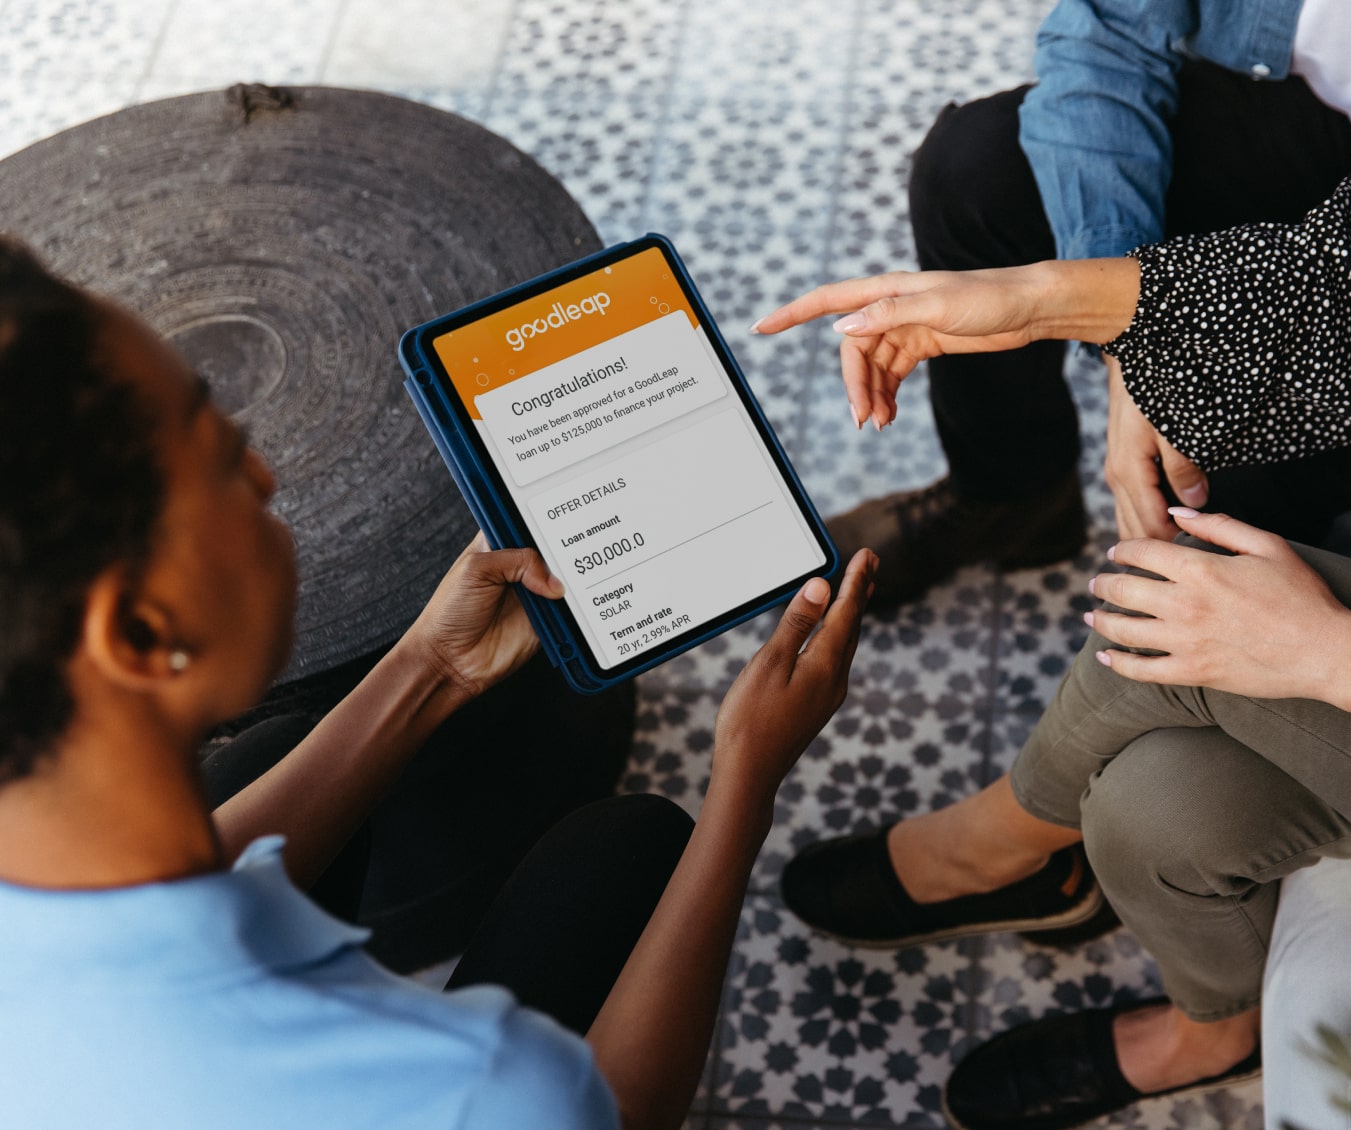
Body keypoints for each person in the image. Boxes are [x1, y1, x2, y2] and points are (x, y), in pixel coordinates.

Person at [756, 0, 1351, 1124]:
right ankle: (1213, 1022)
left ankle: (999, 836)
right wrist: (1039, 298)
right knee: (1154, 812)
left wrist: (1341, 655)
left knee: (1173, 620)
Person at [0, 236, 877, 1130]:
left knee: (275, 755)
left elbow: (205, 874)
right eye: (222, 456)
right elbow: (618, 1109)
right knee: (632, 854)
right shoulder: (469, 1089)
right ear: (142, 632)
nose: (264, 476)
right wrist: (744, 785)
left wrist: (434, 665)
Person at [831, 0, 1351, 609]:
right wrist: (1121, 328)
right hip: (1339, 123)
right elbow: (1107, 29)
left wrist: (1139, 325)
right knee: (972, 172)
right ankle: (1011, 500)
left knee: (1205, 463)